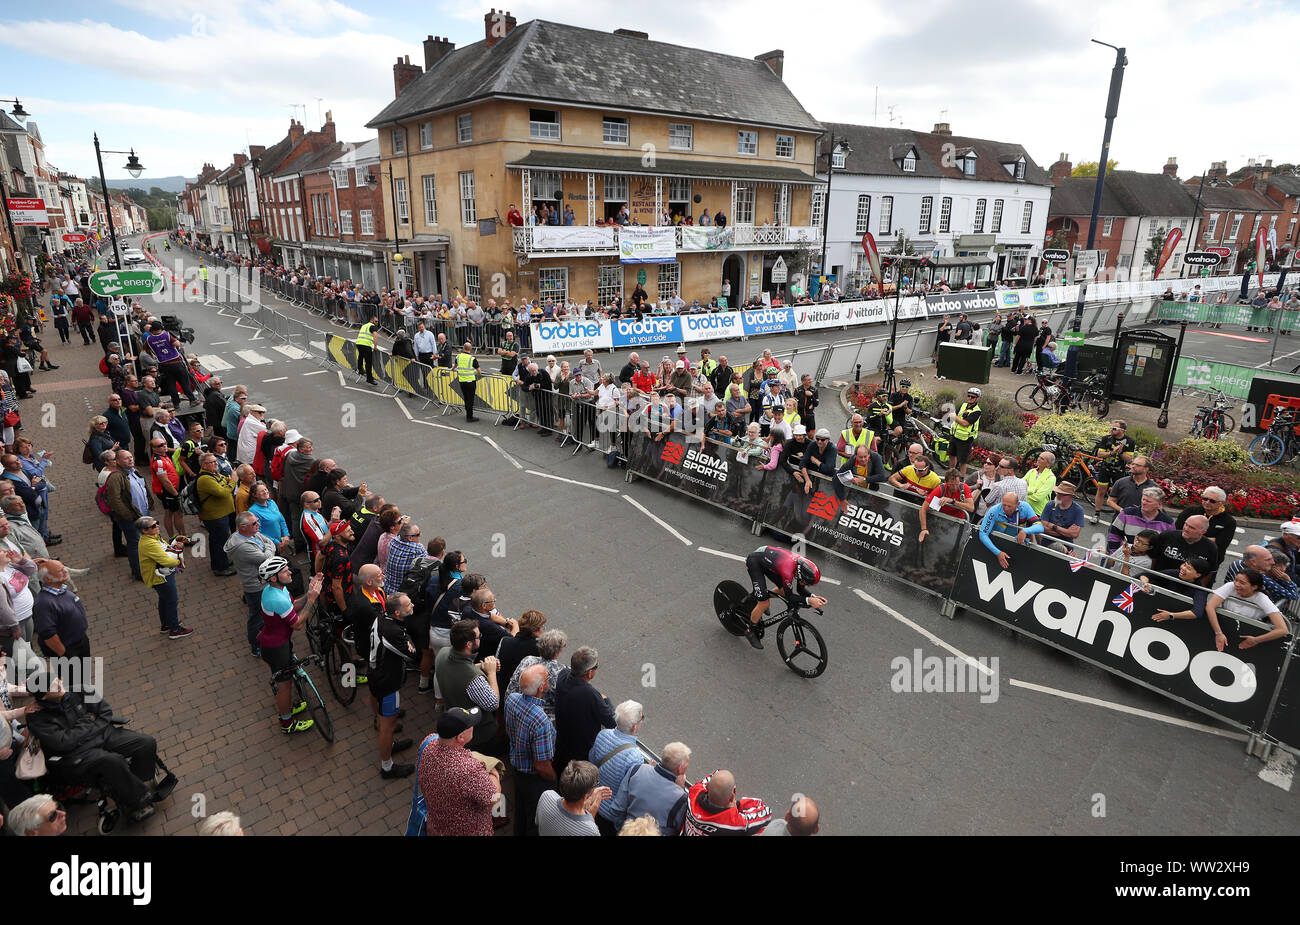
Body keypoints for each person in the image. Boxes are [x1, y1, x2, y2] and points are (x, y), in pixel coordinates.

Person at [25, 672, 162, 825]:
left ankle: (134, 781)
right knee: (112, 761)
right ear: (43, 696)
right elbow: (63, 743)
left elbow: (105, 713)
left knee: (146, 743)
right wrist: (88, 721)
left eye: (56, 679)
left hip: (103, 735)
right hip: (77, 754)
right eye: (52, 685)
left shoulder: (81, 690)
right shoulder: (36, 718)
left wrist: (83, 732)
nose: (58, 683)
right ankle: (137, 800)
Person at [257, 556, 323, 735]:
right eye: (285, 571)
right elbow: (298, 624)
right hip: (276, 647)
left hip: (278, 642)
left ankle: (287, 711)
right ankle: (287, 723)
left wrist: (310, 593)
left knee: (286, 681)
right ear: (273, 578)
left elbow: (293, 605)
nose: (290, 572)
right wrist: (312, 599)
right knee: (284, 686)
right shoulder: (276, 598)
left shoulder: (278, 590)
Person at [418, 706, 502, 837]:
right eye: (471, 725)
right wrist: (494, 775)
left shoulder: (427, 743)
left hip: (436, 827)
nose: (474, 725)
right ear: (461, 737)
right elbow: (494, 799)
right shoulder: (469, 770)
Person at [505, 663, 557, 837]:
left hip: (517, 765)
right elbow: (542, 765)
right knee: (535, 819)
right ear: (541, 688)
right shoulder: (541, 721)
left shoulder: (512, 699)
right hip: (533, 776)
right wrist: (553, 780)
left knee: (520, 808)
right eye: (547, 678)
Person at [435, 619, 501, 754]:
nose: (480, 638)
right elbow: (493, 703)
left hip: (453, 714)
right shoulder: (474, 680)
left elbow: (458, 669)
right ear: (469, 644)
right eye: (478, 636)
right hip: (478, 736)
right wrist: (491, 672)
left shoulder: (443, 653)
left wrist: (481, 666)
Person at [370, 593, 417, 778]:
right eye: (408, 605)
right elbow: (410, 654)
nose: (412, 605)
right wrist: (409, 643)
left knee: (384, 721)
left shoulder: (382, 617)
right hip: (388, 682)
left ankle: (388, 741)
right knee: (388, 726)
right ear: (397, 612)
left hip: (376, 673)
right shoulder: (394, 632)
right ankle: (387, 767)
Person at [742, 546, 827, 650]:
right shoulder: (788, 570)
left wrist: (812, 596)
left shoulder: (801, 567)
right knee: (764, 603)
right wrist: (809, 601)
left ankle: (758, 595)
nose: (804, 584)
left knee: (782, 591)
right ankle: (750, 630)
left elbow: (800, 590)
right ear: (800, 574)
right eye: (805, 582)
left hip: (770, 560)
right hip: (755, 562)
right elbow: (790, 597)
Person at [552, 646, 615, 776]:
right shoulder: (590, 694)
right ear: (589, 673)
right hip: (582, 752)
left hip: (561, 742)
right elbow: (611, 721)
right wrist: (606, 700)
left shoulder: (563, 675)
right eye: (596, 666)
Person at [1203, 569, 1290, 652]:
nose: (1236, 584)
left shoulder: (1261, 598)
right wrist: (1218, 633)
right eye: (1236, 580)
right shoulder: (1230, 586)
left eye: (1242, 583)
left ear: (1254, 587)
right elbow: (1210, 607)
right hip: (1222, 630)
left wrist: (1255, 640)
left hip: (1246, 637)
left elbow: (1283, 629)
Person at [137, 516, 191, 639]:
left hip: (162, 575)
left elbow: (165, 547)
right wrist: (177, 553)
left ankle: (166, 624)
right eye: (153, 526)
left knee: (164, 599)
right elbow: (166, 560)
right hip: (161, 577)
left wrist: (173, 546)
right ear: (144, 531)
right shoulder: (149, 543)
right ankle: (175, 629)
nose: (157, 526)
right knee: (172, 601)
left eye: (157, 523)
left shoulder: (153, 537)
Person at [681, 769, 772, 836]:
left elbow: (716, 773)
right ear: (732, 797)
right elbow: (766, 812)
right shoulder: (735, 821)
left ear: (707, 787)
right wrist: (737, 805)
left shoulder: (694, 793)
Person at [536, 760, 610, 836]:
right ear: (585, 796)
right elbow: (585, 829)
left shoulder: (546, 796)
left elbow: (538, 822)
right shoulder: (591, 830)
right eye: (595, 783)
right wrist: (590, 816)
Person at [194, 453, 236, 576]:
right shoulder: (205, 479)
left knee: (217, 540)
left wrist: (228, 483)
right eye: (212, 462)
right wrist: (233, 482)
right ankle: (221, 568)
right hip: (215, 517)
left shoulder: (213, 474)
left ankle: (220, 562)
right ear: (204, 465)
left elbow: (224, 483)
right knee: (220, 541)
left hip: (221, 514)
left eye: (215, 461)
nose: (216, 463)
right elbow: (222, 492)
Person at [979, 492, 1044, 570]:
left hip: (1016, 545)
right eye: (1004, 505)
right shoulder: (994, 510)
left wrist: (1025, 531)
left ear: (1017, 504)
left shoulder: (1025, 507)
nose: (1006, 508)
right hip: (997, 545)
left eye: (1010, 506)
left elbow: (1040, 527)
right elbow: (983, 534)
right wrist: (998, 552)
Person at [1149, 515, 1220, 585]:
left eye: (1192, 528)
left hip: (1187, 587)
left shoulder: (1210, 547)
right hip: (1159, 580)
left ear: (1203, 532)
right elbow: (1153, 558)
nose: (1186, 529)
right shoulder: (1167, 536)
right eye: (1186, 524)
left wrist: (1200, 590)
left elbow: (1210, 572)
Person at [1173, 487, 1237, 565]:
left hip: (1207, 561)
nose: (1207, 502)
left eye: (1212, 501)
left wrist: (1190, 535)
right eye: (1205, 499)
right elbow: (1176, 531)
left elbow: (1220, 544)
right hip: (1180, 555)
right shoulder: (1190, 511)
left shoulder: (1229, 522)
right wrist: (1209, 538)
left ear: (1222, 503)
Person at [1224, 546, 1299, 607]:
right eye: (1268, 560)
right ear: (1253, 562)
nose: (1272, 562)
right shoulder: (1261, 577)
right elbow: (1293, 595)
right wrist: (1287, 579)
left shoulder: (1237, 563)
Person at [1106, 486, 1175, 552]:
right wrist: (1114, 553)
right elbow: (1113, 535)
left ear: (1159, 504)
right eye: (1143, 499)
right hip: (1124, 557)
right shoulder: (1126, 514)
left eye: (1148, 501)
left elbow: (1169, 546)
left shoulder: (1168, 523)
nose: (1144, 503)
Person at [1092, 423, 1138, 519]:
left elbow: (1129, 459)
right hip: (1105, 469)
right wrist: (1112, 452)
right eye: (1111, 428)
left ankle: (1118, 515)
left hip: (1119, 471)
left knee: (1118, 494)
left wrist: (1120, 452)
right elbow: (1100, 454)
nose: (1111, 430)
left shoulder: (1130, 441)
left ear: (1122, 430)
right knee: (1101, 491)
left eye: (1114, 428)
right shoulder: (1106, 438)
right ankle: (1096, 513)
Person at [917, 468, 975, 541]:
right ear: (946, 483)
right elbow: (923, 508)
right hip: (941, 520)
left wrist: (952, 501)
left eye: (957, 484)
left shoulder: (964, 487)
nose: (955, 487)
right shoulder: (940, 489)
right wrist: (924, 529)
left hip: (958, 522)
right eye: (951, 484)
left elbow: (971, 508)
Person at [1039, 481, 1086, 551]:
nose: (1058, 496)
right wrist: (1066, 532)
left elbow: (1074, 534)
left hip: (1066, 545)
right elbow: (1042, 528)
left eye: (1062, 494)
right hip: (1047, 542)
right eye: (1058, 493)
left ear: (1071, 496)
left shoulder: (1078, 510)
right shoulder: (1050, 505)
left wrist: (1053, 526)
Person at [948, 388, 981, 474]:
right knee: (951, 455)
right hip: (955, 435)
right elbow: (955, 414)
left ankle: (962, 478)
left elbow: (965, 423)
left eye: (972, 397)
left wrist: (954, 417)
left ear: (977, 398)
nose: (970, 398)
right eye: (968, 396)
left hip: (965, 439)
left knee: (963, 461)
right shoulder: (963, 405)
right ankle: (951, 474)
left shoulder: (977, 411)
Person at [1023, 451, 1057, 516]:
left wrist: (1024, 493)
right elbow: (1020, 486)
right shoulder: (1032, 471)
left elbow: (1038, 498)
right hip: (1024, 508)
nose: (1038, 459)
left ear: (1048, 464)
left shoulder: (1051, 478)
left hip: (1038, 512)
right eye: (1039, 457)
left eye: (1042, 458)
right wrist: (1033, 491)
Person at [455, 342, 481, 422]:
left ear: (463, 348)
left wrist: (453, 370)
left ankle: (468, 414)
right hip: (470, 382)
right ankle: (469, 417)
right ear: (471, 349)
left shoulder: (458, 356)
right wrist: (473, 372)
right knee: (470, 399)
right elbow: (479, 372)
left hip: (462, 381)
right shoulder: (472, 359)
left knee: (466, 398)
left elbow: (454, 367)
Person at [355, 318, 377, 384]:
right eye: (375, 321)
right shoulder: (372, 326)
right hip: (366, 345)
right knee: (368, 362)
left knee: (360, 357)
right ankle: (369, 379)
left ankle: (360, 370)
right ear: (371, 320)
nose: (377, 322)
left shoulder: (364, 325)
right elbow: (375, 335)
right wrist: (375, 346)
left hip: (359, 343)